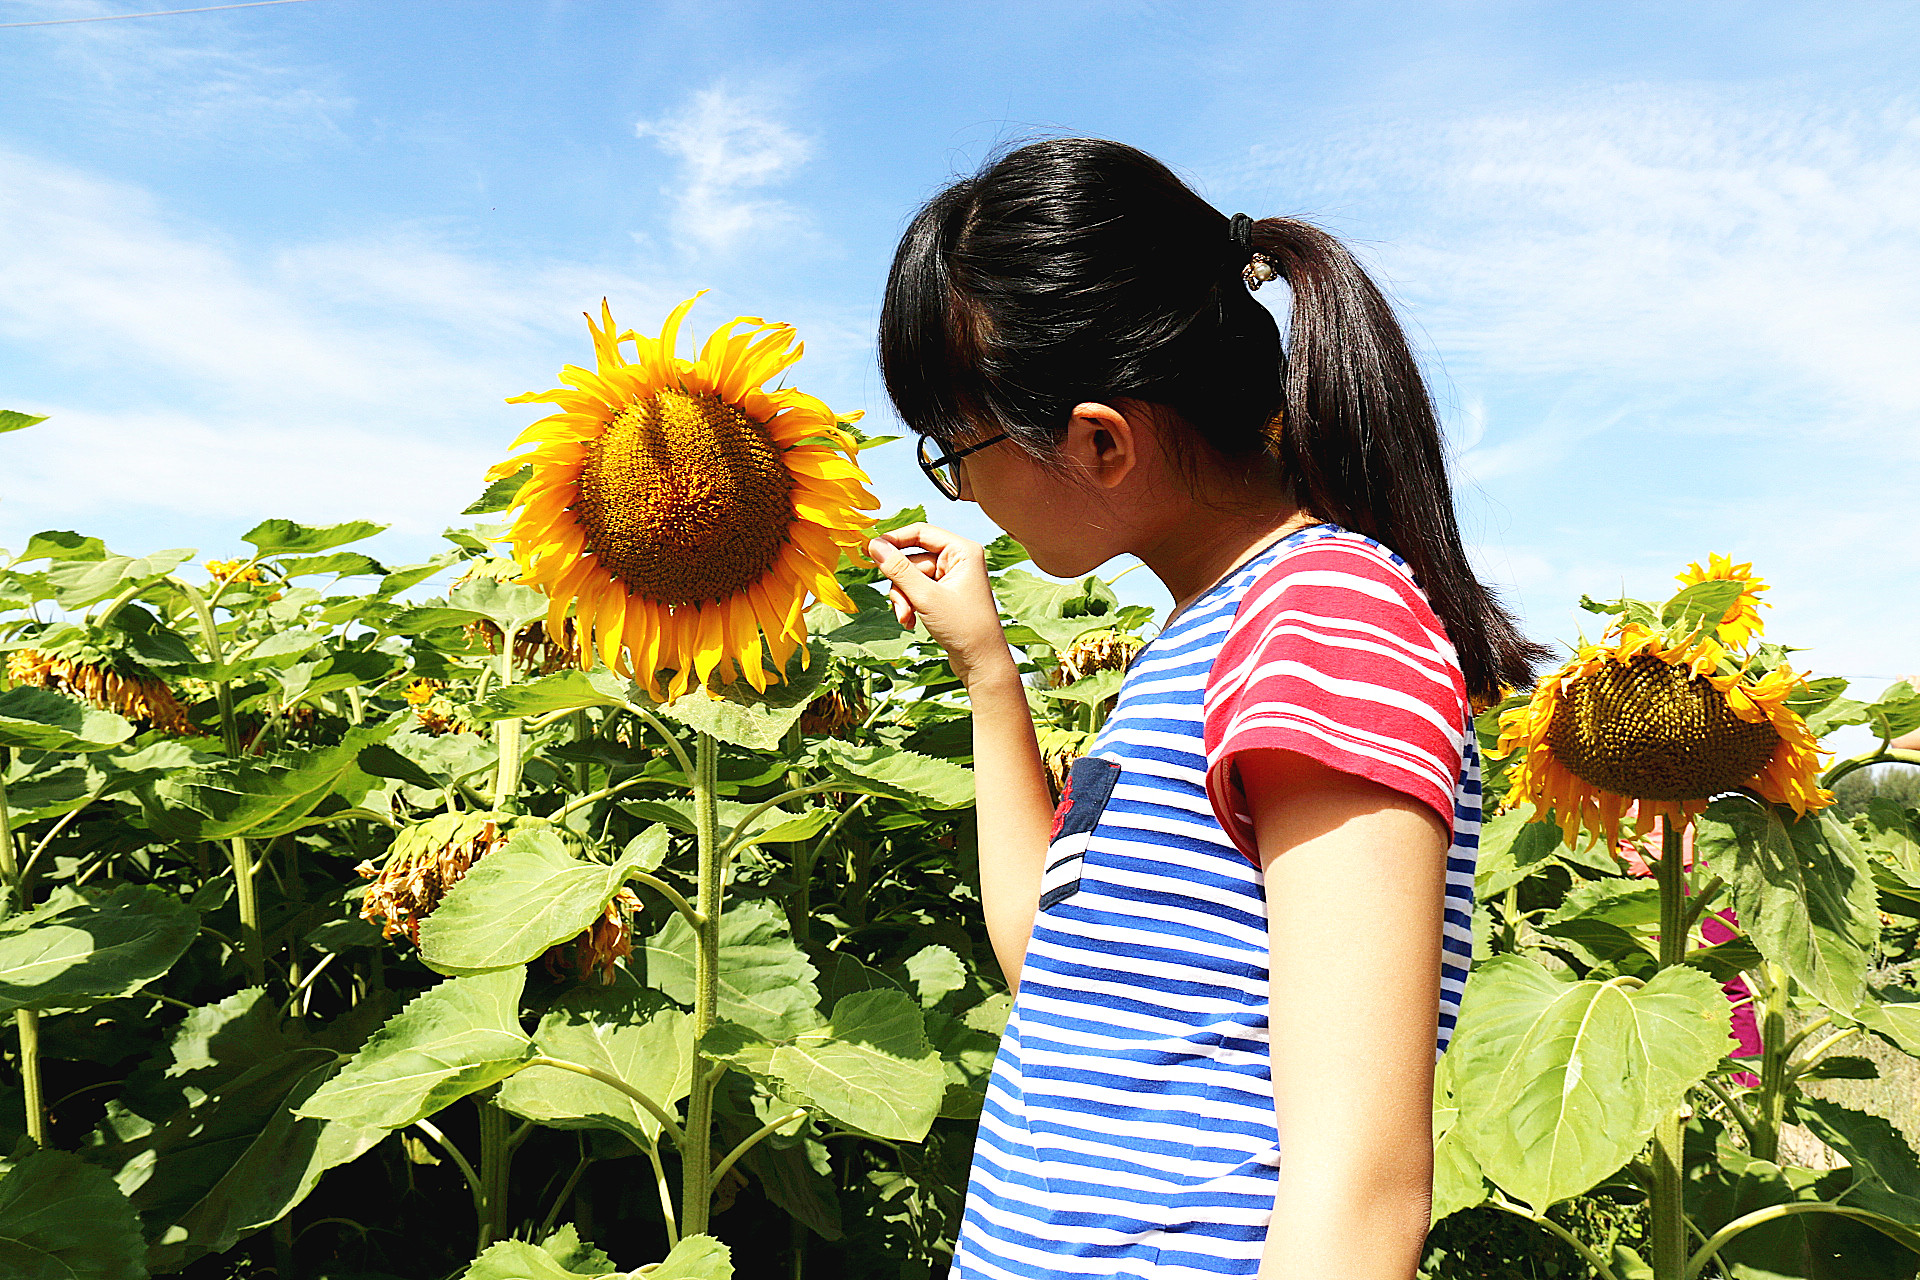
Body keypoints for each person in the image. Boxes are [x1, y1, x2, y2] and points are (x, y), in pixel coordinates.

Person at [866, 138, 1545, 1280]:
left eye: (958, 445)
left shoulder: (1325, 619)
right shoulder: (1206, 639)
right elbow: (1054, 962)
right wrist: (989, 671)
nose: (961, 485)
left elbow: (1360, 1188)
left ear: (1098, 439)